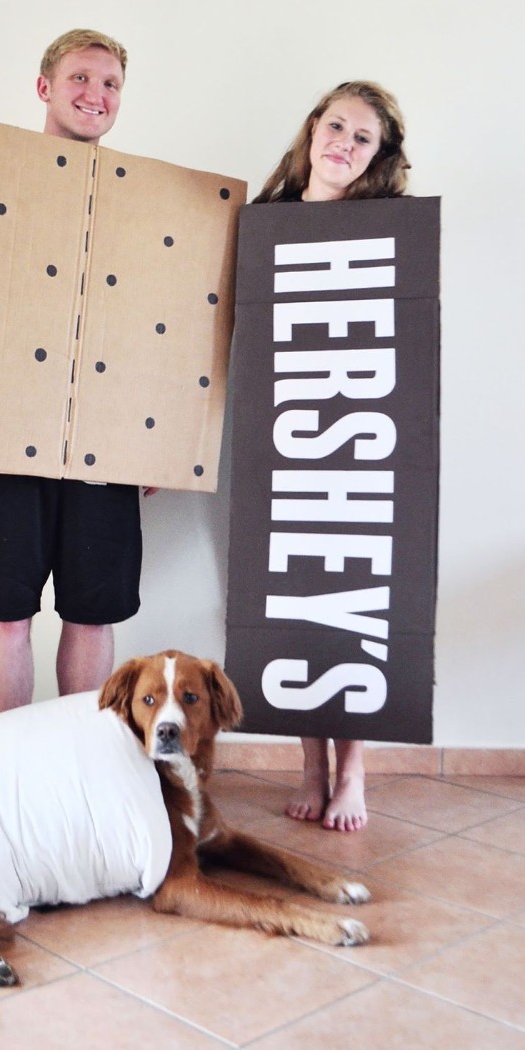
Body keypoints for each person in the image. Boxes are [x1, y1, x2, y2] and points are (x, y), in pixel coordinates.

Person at [0, 29, 156, 714]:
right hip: (4, 423)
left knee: (92, 610)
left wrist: (160, 440)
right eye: (81, 79)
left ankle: (74, 761)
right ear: (45, 88)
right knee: (5, 610)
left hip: (106, 429)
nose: (97, 94)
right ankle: (11, 762)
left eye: (111, 83)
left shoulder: (144, 202)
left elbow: (159, 320)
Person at [253, 81, 411, 831]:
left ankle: (354, 772)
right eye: (336, 125)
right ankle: (310, 763)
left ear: (378, 158)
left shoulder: (387, 229)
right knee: (292, 605)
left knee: (352, 609)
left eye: (362, 138)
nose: (343, 144)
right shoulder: (265, 220)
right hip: (282, 433)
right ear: (313, 126)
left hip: (358, 436)